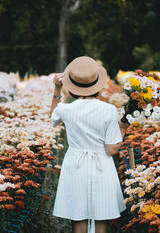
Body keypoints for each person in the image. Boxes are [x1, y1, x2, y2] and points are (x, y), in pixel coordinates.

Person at [49, 56, 128, 233]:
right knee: (101, 217)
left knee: (78, 218)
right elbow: (111, 149)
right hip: (102, 165)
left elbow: (53, 118)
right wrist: (122, 128)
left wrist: (57, 88)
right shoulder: (109, 110)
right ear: (97, 84)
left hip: (75, 164)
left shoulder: (66, 109)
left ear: (72, 85)